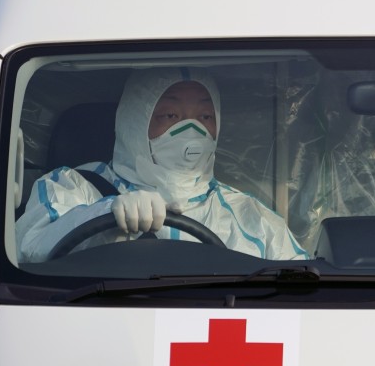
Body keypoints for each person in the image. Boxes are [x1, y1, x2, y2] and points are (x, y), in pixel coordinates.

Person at [17, 67, 309, 262]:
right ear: (135, 122)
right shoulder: (73, 186)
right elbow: (28, 244)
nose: (191, 131)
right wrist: (103, 213)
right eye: (171, 116)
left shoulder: (251, 220)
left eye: (205, 117)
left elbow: (303, 293)